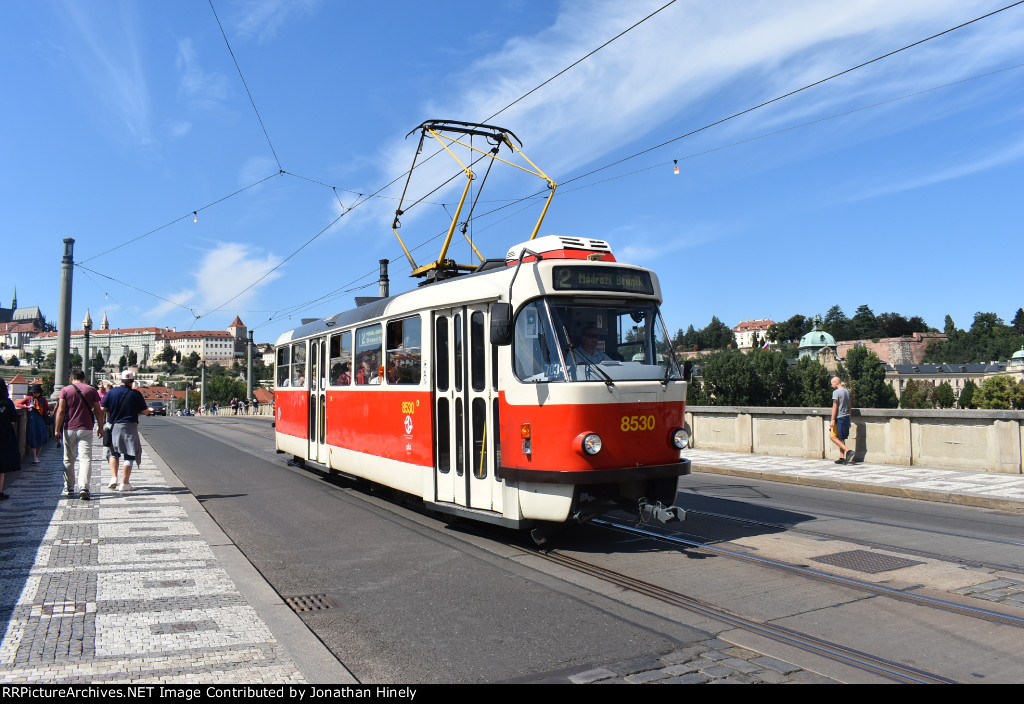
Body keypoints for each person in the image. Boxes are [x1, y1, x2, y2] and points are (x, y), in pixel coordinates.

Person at [53, 369, 104, 500]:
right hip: (86, 428)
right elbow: (98, 410)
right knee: (85, 458)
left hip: (69, 428)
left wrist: (57, 430)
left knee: (68, 458)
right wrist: (100, 427)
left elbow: (61, 411)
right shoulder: (91, 390)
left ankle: (69, 487)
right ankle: (84, 487)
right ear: (84, 378)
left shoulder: (65, 390)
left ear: (71, 378)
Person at [102, 370, 152, 492]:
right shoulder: (136, 394)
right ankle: (124, 483)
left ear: (121, 380)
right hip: (130, 426)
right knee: (129, 455)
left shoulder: (112, 392)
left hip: (114, 426)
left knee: (114, 453)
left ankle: (114, 478)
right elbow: (145, 412)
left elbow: (103, 408)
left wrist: (111, 411)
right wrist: (148, 410)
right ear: (132, 381)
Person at [0, 378, 22, 501]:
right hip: (4, 434)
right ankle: (0, 491)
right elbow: (14, 417)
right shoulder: (7, 402)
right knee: (2, 467)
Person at [18, 384, 50, 464]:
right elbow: (18, 404)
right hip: (32, 421)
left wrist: (45, 410)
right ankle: (34, 457)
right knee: (33, 438)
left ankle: (37, 456)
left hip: (41, 421)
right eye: (34, 393)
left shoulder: (43, 400)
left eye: (37, 392)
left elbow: (47, 408)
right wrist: (28, 407)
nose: (36, 394)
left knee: (41, 437)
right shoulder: (29, 399)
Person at [829, 376, 855, 464]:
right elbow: (849, 406)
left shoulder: (836, 392)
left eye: (832, 383)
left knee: (833, 437)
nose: (831, 384)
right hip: (846, 417)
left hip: (839, 417)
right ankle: (842, 457)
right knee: (842, 438)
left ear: (836, 382)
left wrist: (832, 420)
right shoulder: (847, 391)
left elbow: (835, 407)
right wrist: (850, 418)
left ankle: (848, 451)